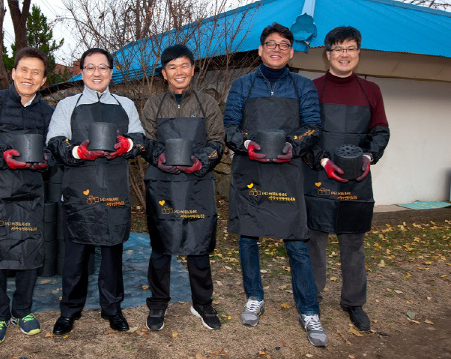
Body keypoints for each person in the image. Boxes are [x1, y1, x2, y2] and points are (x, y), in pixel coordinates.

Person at [223, 23, 328, 347]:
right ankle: (254, 296)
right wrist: (247, 144)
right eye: (271, 43)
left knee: (296, 243)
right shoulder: (242, 85)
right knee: (248, 238)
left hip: (287, 173)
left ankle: (309, 311)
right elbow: (229, 127)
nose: (277, 49)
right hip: (250, 171)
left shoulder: (302, 87)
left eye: (284, 44)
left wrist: (292, 146)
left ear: (291, 51)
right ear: (260, 49)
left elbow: (313, 126)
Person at [46, 48, 145, 335]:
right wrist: (79, 151)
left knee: (113, 253)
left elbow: (139, 140)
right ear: (81, 71)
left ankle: (112, 309)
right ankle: (69, 311)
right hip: (79, 189)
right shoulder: (68, 105)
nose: (97, 73)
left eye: (103, 67)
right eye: (90, 67)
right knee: (75, 255)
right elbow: (54, 142)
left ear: (112, 72)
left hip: (115, 189)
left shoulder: (125, 104)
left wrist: (126, 146)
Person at [303, 26, 389, 331]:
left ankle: (354, 302)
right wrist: (323, 161)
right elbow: (307, 134)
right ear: (327, 55)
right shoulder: (311, 89)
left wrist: (368, 157)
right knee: (315, 242)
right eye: (338, 49)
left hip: (356, 179)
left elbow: (380, 130)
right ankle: (312, 301)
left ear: (358, 53)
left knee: (353, 244)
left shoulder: (372, 91)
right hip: (318, 177)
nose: (344, 55)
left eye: (350, 48)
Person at [0, 47, 54, 347]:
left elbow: (55, 151)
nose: (29, 76)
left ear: (43, 81)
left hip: (28, 192)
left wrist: (46, 161)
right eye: (24, 70)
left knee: (29, 250)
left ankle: (23, 310)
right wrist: (4, 155)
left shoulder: (47, 113)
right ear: (14, 72)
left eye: (36, 72)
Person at [141, 44, 225, 331]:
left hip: (197, 183)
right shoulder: (153, 105)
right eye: (172, 67)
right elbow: (146, 142)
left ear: (193, 69)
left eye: (184, 65)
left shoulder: (207, 104)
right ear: (164, 73)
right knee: (161, 248)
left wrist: (199, 162)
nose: (179, 72)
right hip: (162, 185)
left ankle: (202, 303)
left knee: (198, 248)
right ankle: (158, 303)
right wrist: (159, 157)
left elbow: (217, 142)